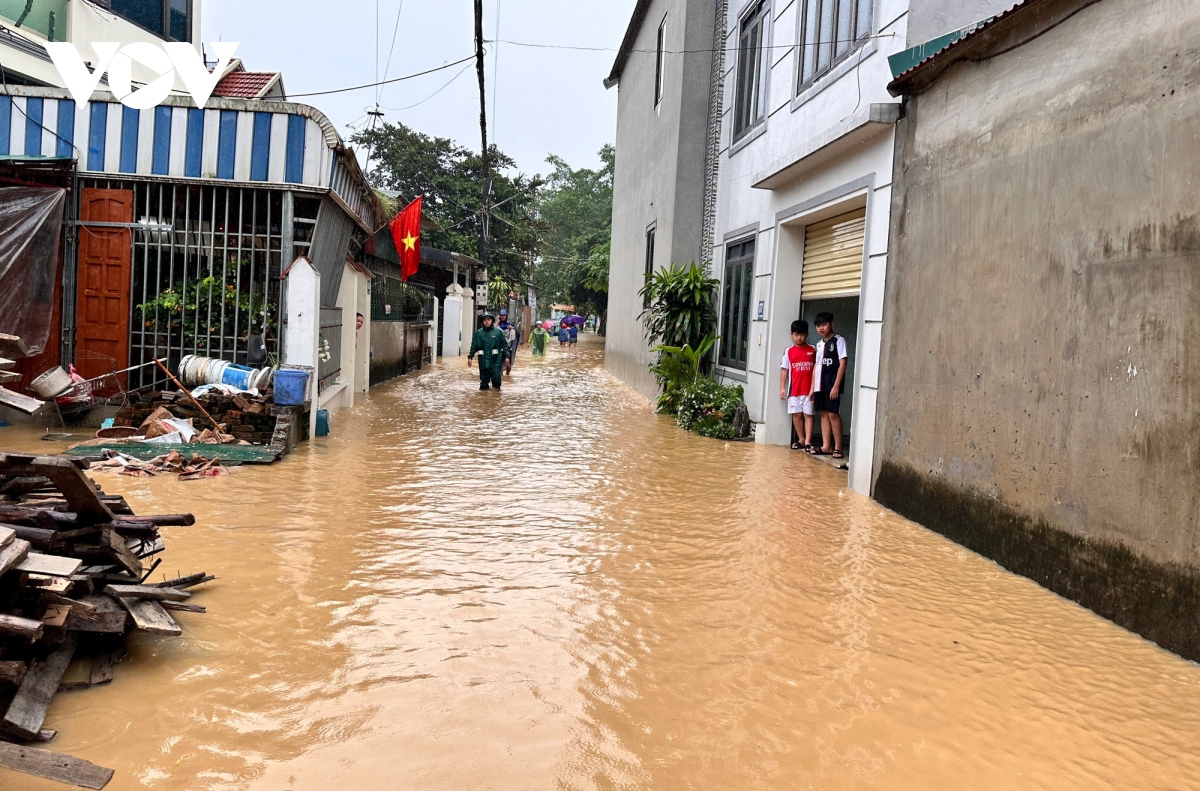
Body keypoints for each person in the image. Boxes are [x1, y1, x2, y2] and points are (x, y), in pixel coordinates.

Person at [808, 312, 848, 459]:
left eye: (824, 324)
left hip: (832, 385)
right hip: (820, 385)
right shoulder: (819, 345)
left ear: (832, 323)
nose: (821, 328)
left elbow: (843, 363)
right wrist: (812, 388)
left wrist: (836, 386)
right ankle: (826, 446)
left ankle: (838, 447)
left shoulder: (838, 340)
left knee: (833, 414)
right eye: (818, 325)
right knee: (823, 414)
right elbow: (816, 366)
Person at [780, 319, 816, 451]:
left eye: (801, 335)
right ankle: (800, 439)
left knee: (808, 415)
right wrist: (782, 387)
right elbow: (784, 369)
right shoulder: (788, 351)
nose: (799, 338)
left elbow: (817, 369)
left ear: (806, 334)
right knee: (796, 415)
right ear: (792, 334)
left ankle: (808, 441)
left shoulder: (813, 350)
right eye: (796, 335)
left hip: (809, 390)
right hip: (794, 390)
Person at [468, 312, 510, 391]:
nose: (487, 321)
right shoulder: (478, 333)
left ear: (492, 321)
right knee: (484, 382)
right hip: (483, 361)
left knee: (496, 380)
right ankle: (484, 401)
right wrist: (470, 357)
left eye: (488, 319)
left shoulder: (498, 332)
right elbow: (474, 346)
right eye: (485, 320)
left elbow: (504, 345)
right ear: (482, 321)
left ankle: (496, 399)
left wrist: (507, 356)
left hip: (496, 360)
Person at [498, 309, 519, 374]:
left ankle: (507, 373)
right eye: (501, 315)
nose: (503, 317)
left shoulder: (510, 324)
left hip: (508, 347)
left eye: (504, 315)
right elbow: (492, 331)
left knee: (508, 365)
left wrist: (513, 329)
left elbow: (517, 335)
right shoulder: (497, 325)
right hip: (499, 348)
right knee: (499, 364)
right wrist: (497, 321)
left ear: (506, 316)